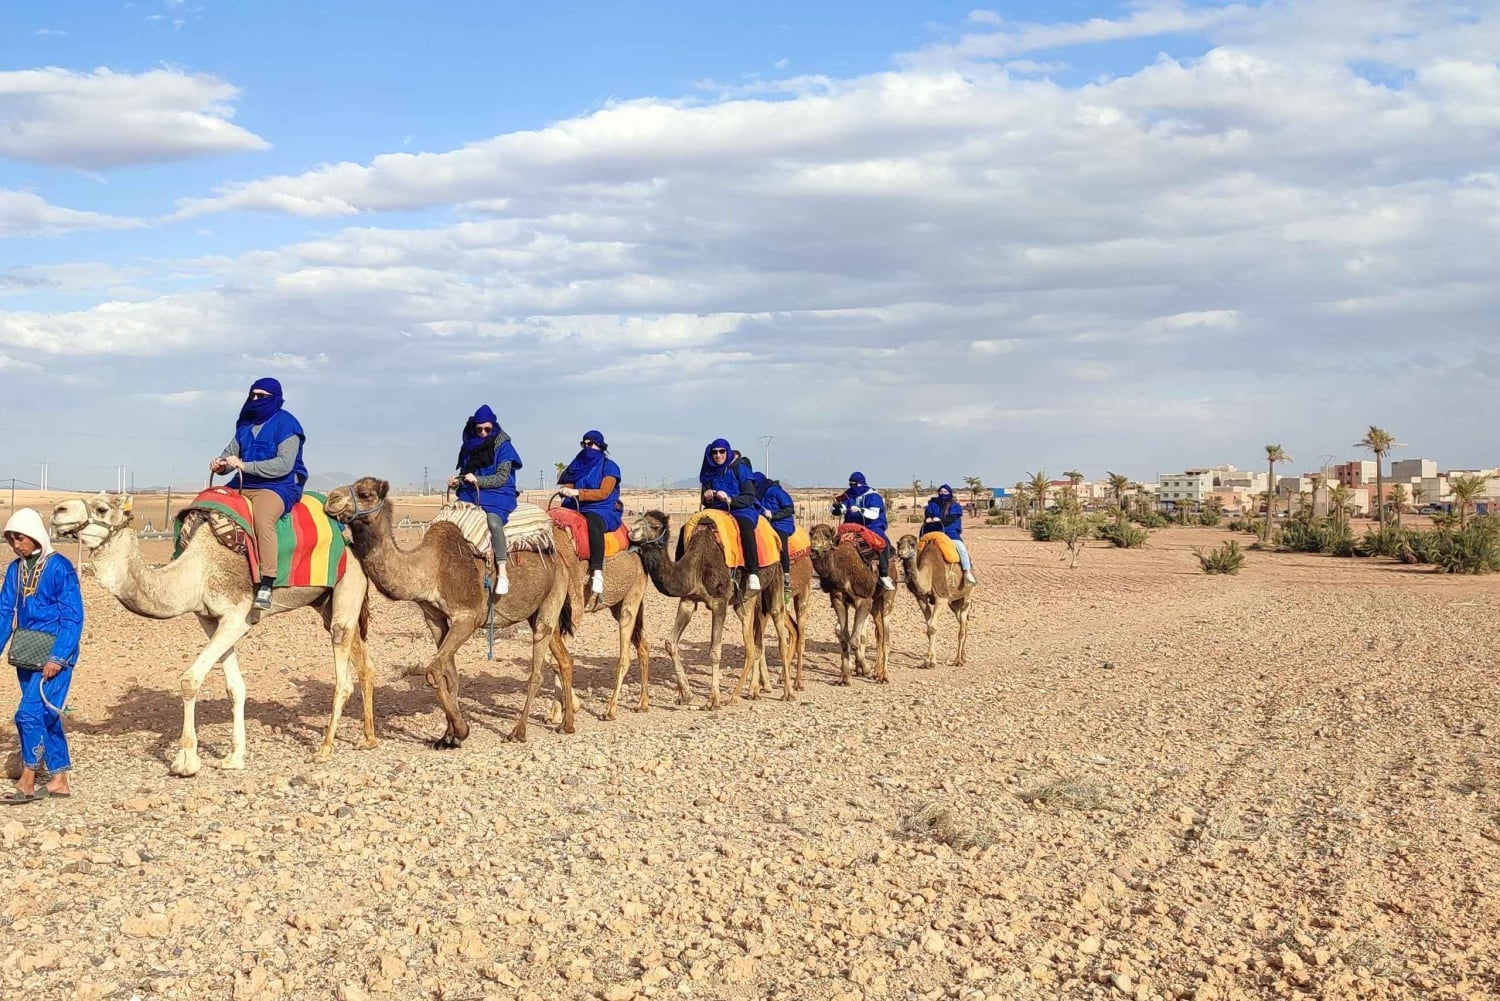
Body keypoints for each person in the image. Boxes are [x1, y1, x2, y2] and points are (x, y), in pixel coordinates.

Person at [0, 509, 83, 803]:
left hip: (56, 655)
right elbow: (4, 611)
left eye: (18, 537)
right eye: (10, 538)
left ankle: (27, 780)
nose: (14, 543)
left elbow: (73, 616)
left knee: (27, 714)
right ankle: (59, 779)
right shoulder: (15, 569)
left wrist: (58, 657)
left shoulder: (60, 567)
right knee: (46, 716)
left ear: (34, 535)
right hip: (26, 651)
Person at [210, 378, 309, 610]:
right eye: (253, 395)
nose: (255, 400)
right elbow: (229, 454)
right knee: (208, 506)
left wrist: (245, 466)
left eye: (262, 396)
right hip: (243, 483)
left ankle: (267, 581)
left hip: (278, 485)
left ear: (275, 398)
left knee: (263, 519)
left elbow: (284, 464)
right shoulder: (245, 425)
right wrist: (220, 464)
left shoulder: (287, 425)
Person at [447, 405, 522, 595]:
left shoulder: (504, 447)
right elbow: (465, 474)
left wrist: (478, 480)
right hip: (472, 492)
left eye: (487, 429)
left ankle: (503, 572)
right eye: (479, 429)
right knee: (448, 520)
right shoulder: (469, 446)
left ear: (493, 427)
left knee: (493, 522)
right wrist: (456, 481)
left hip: (499, 493)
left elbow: (501, 477)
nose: (482, 433)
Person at [558, 429, 622, 605]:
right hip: (575, 506)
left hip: (601, 507)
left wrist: (577, 492)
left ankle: (597, 571)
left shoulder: (609, 467)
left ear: (599, 446)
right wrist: (565, 490)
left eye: (590, 444)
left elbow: (603, 492)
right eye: (584, 444)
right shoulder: (577, 464)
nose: (587, 447)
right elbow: (569, 483)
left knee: (593, 523)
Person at [699, 438, 763, 591]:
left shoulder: (740, 469)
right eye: (714, 452)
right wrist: (707, 497)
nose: (718, 455)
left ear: (727, 451)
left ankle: (753, 572)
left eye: (722, 451)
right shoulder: (709, 472)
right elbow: (705, 501)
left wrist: (729, 499)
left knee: (746, 528)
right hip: (717, 510)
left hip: (741, 508)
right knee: (693, 526)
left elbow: (749, 496)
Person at [832, 471, 896, 590]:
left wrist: (861, 510)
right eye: (850, 484)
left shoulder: (873, 496)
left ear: (861, 483)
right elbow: (841, 507)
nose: (852, 487)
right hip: (851, 525)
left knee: (883, 544)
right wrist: (837, 508)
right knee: (833, 544)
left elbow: (874, 514)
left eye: (855, 485)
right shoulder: (848, 495)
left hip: (872, 526)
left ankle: (884, 575)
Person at [751, 472, 795, 604]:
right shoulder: (757, 495)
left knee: (781, 544)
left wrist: (774, 514)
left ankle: (786, 575)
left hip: (781, 523)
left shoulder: (774, 491)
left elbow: (789, 508)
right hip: (766, 523)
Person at [923, 484, 978, 584]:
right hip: (933, 532)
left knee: (961, 548)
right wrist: (928, 518)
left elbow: (951, 519)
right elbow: (928, 513)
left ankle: (967, 572)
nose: (942, 494)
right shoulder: (933, 504)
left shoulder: (954, 506)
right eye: (941, 492)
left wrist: (940, 520)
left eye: (945, 492)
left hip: (950, 533)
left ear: (949, 493)